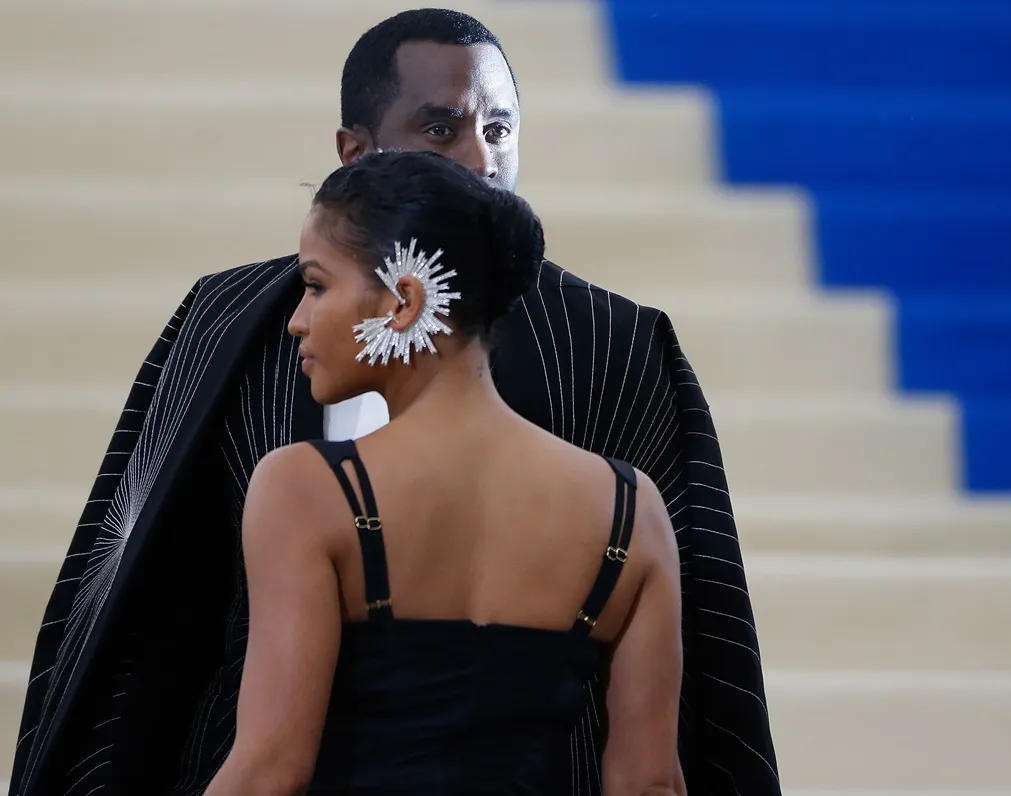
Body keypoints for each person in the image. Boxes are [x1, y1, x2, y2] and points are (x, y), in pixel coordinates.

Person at [10, 10, 778, 796]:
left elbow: (701, 651)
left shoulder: (614, 341)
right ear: (355, 150)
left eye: (502, 127)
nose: (482, 159)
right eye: (442, 129)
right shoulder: (230, 319)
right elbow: (146, 591)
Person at [201, 148, 684, 795]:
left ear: (405, 301)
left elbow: (269, 771)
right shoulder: (630, 507)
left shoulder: (305, 491)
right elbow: (649, 783)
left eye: (316, 285)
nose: (297, 319)